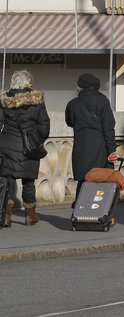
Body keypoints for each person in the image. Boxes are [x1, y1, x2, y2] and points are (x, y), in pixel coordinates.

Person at [0, 70, 51, 227]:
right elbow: (44, 126)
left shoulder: (4, 100)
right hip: (29, 147)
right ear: (28, 83)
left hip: (7, 144)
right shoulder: (36, 100)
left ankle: (6, 216)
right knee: (28, 181)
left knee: (7, 181)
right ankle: (30, 216)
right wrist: (37, 140)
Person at [65, 73, 118, 187]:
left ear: (81, 86)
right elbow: (108, 127)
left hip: (81, 147)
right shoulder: (103, 101)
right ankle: (98, 203)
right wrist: (112, 151)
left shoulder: (73, 104)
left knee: (83, 180)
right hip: (100, 148)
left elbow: (69, 122)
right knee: (100, 180)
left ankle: (81, 202)